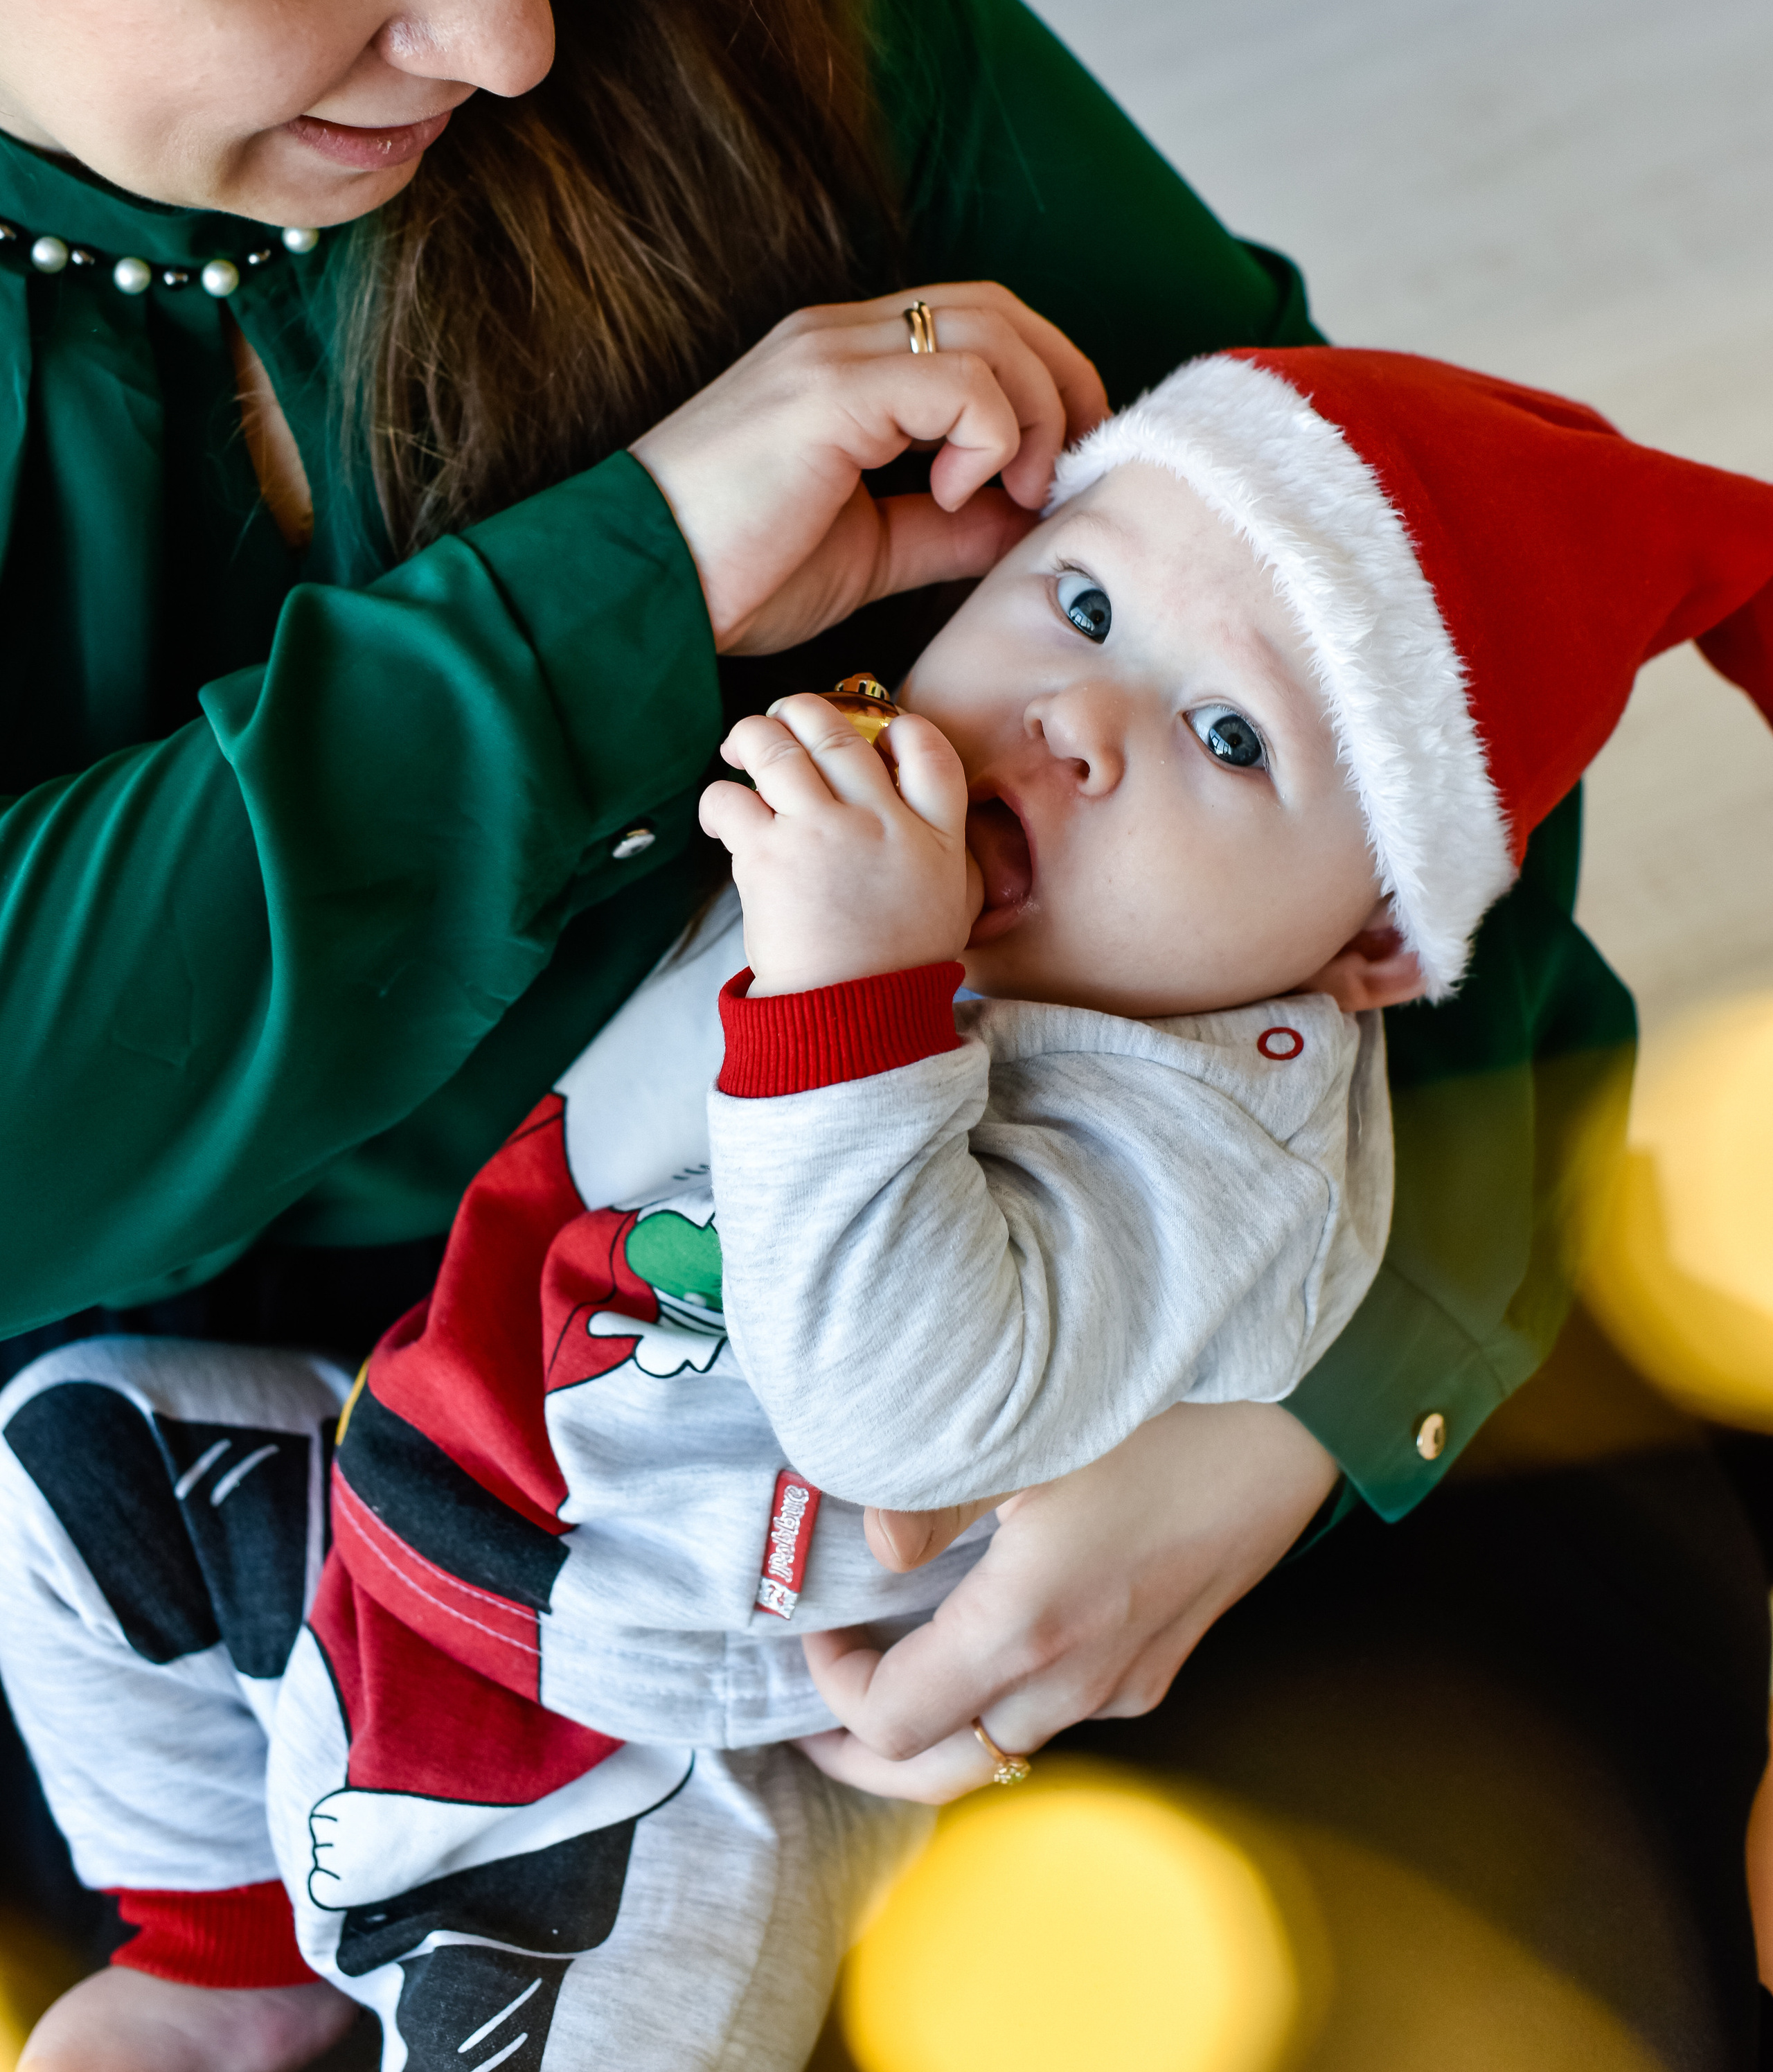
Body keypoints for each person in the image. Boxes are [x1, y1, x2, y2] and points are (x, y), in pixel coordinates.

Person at [0, 0, 1746, 2057]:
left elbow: (1380, 604)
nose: (501, 17)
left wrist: (1332, 1388)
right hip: (186, 1476)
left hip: (994, 1324)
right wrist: (625, 587)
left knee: (1559, 1748)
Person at [10, 342, 1773, 2072]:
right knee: (60, 1464)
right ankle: (228, 1949)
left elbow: (898, 1419)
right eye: (1077, 606)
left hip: (658, 1744)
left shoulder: (1209, 1137)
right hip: (405, 1491)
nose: (1073, 723)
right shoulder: (911, 842)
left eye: (1228, 737)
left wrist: (848, 977)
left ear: (1374, 944)